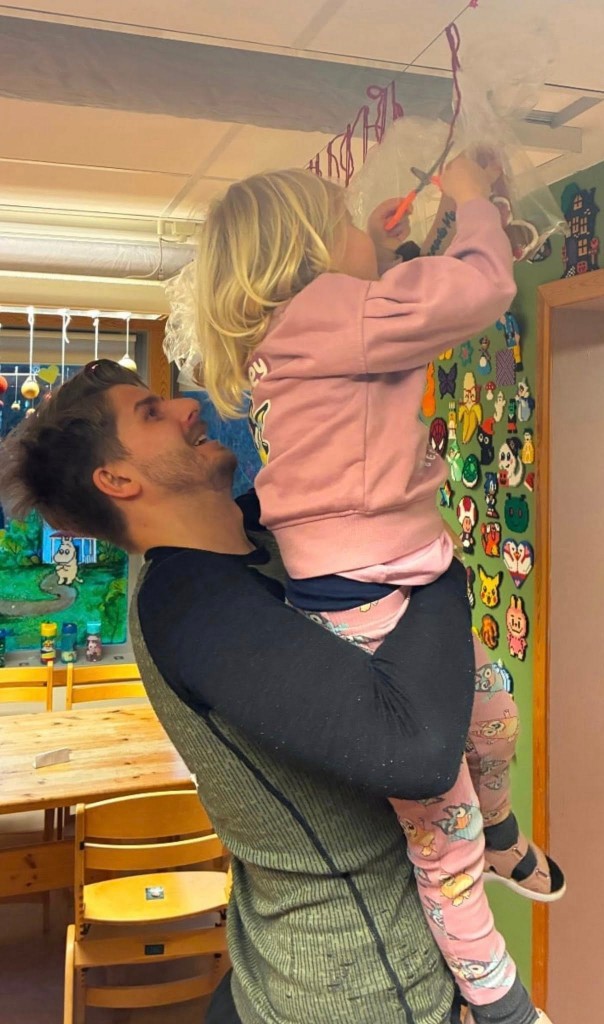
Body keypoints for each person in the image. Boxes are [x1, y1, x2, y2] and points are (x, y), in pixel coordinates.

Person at [179, 156, 563, 1024]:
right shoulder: (328, 313)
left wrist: (387, 248)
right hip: (368, 594)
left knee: (493, 705)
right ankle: (499, 999)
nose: (366, 233)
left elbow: (386, 310)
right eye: (346, 221)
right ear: (311, 252)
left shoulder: (307, 327)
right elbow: (479, 289)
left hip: (390, 573)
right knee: (442, 832)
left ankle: (503, 834)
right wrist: (471, 199)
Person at [1, 358, 496, 1024]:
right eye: (152, 413)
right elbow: (419, 752)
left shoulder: (248, 539)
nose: (189, 409)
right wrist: (436, 560)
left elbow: (324, 466)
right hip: (359, 986)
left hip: (334, 950)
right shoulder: (192, 605)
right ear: (116, 479)